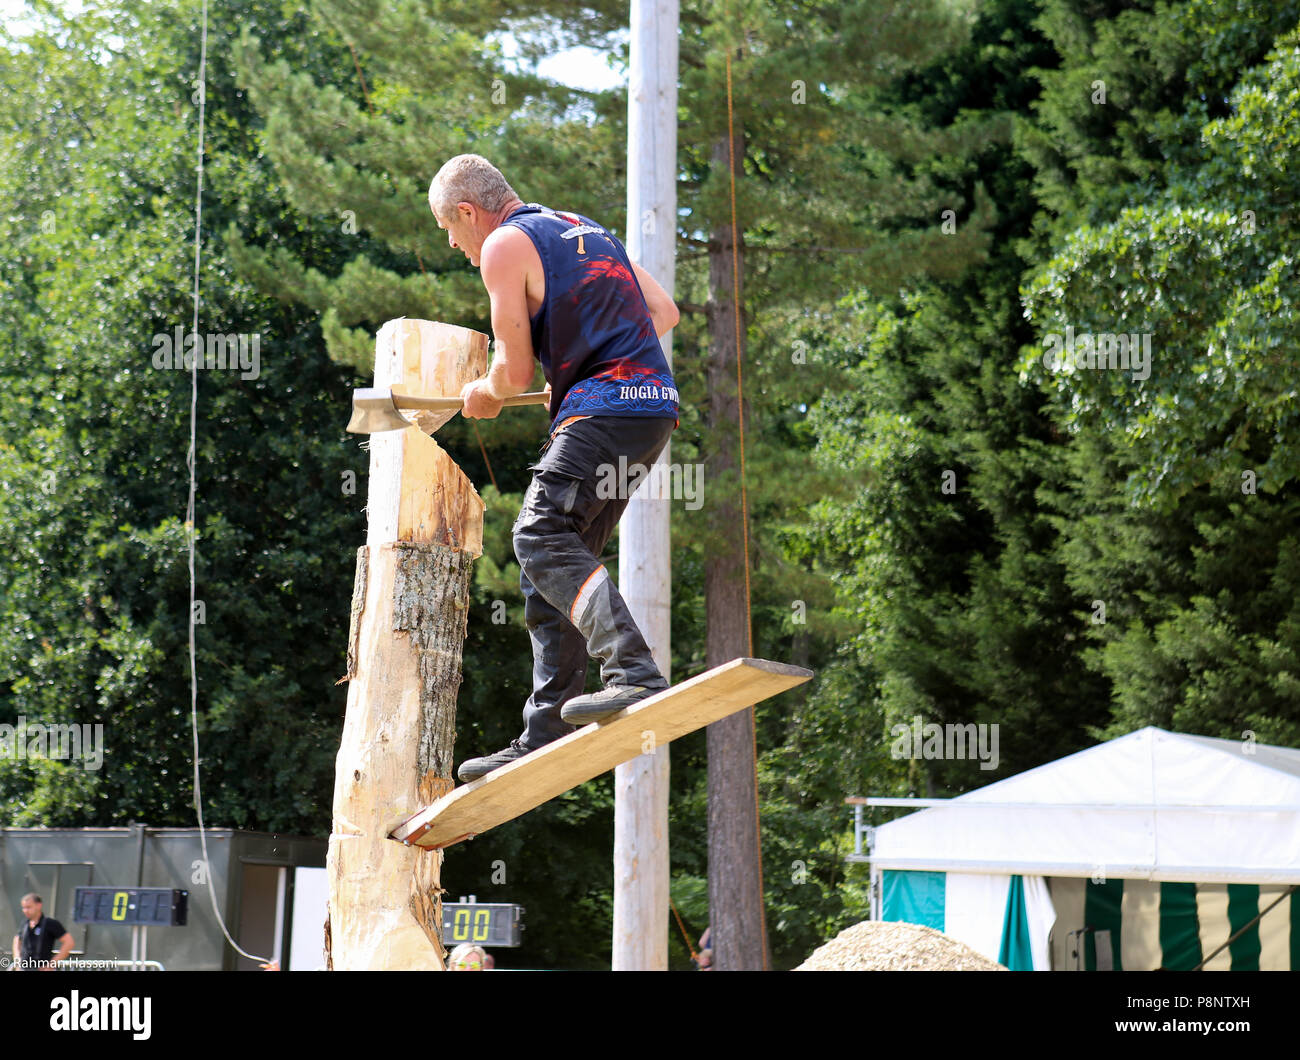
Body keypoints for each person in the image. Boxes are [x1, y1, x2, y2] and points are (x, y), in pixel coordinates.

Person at [428, 154, 680, 782]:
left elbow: (509, 375)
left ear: (468, 211)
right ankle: (547, 730)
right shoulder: (585, 228)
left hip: (604, 411)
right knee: (554, 571)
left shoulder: (503, 247)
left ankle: (633, 672)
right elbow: (664, 312)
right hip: (650, 412)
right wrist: (577, 362)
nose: (454, 245)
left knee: (537, 535)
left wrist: (486, 393)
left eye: (449, 229)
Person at [11, 893, 74, 971]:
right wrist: (17, 962)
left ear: (39, 905)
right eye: (24, 908)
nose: (25, 911)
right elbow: (17, 941)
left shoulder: (50, 923)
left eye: (29, 907)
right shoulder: (24, 924)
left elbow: (69, 942)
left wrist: (52, 964)